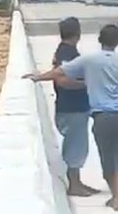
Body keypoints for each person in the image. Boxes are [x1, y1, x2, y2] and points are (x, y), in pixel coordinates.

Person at [26, 23, 118, 210]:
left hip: (103, 117)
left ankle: (116, 198)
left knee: (108, 157)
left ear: (99, 40)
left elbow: (60, 72)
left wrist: (37, 77)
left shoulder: (89, 60)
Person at [25, 17, 96, 197]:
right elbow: (62, 80)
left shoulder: (64, 51)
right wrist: (88, 84)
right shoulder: (68, 53)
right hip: (73, 108)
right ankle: (75, 185)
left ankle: (77, 182)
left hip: (69, 106)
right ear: (77, 33)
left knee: (77, 146)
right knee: (76, 147)